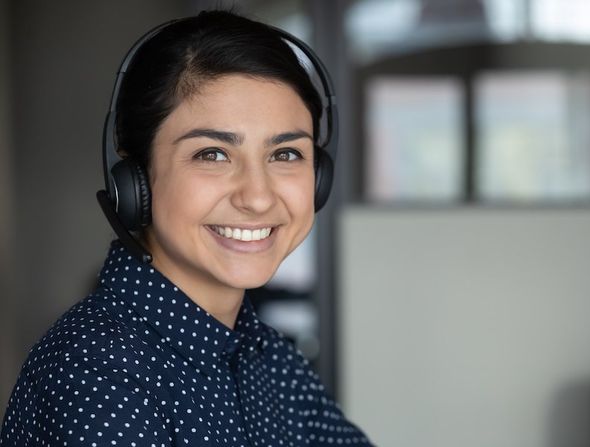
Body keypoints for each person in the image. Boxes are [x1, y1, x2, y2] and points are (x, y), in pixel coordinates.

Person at [1, 10, 372, 446]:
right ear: (136, 180)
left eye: (286, 154)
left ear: (320, 177)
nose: (257, 197)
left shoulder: (266, 357)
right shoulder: (96, 373)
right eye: (212, 154)